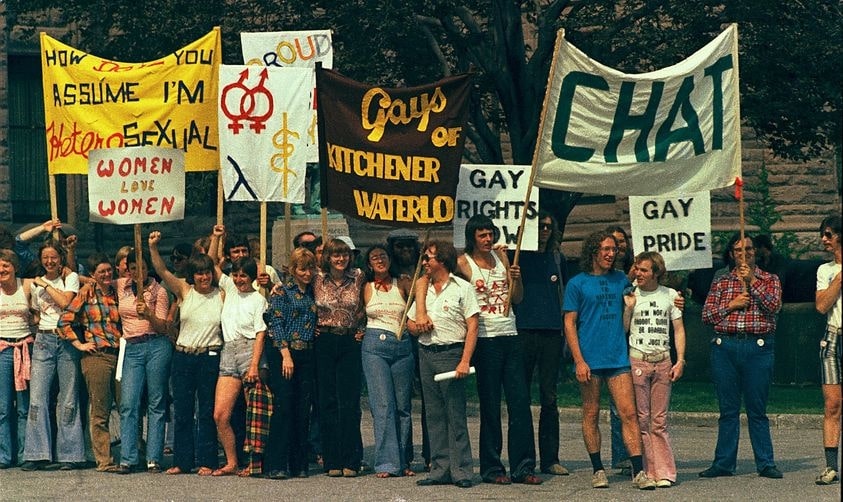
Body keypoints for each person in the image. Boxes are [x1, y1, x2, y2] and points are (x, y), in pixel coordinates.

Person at [562, 229, 655, 490]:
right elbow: (569, 323)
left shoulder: (621, 281)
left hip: (617, 358)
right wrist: (579, 360)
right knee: (591, 413)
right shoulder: (577, 283)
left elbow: (648, 285)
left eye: (614, 250)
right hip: (589, 359)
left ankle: (639, 471)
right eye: (605, 249)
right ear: (593, 251)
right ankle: (598, 469)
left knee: (628, 413)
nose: (610, 254)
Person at [455, 214, 541, 485]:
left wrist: (513, 273)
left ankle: (523, 466)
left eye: (490, 234)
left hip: (510, 333)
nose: (488, 239)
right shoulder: (463, 262)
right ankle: (492, 467)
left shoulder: (504, 260)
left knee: (520, 403)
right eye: (482, 235)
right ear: (472, 237)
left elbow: (517, 298)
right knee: (490, 404)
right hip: (485, 337)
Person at [700, 232, 783, 479]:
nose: (743, 254)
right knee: (728, 410)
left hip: (757, 348)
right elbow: (707, 316)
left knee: (757, 409)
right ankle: (724, 463)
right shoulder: (722, 281)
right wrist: (732, 304)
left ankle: (766, 462)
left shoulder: (770, 279)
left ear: (755, 252)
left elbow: (774, 306)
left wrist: (753, 283)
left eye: (748, 249)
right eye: (738, 250)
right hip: (725, 347)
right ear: (731, 254)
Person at [149, 231, 223, 476]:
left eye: (207, 272)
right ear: (193, 275)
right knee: (181, 410)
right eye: (199, 273)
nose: (204, 276)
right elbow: (162, 271)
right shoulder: (184, 290)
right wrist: (153, 248)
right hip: (183, 357)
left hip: (209, 357)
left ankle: (207, 460)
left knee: (206, 411)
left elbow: (209, 259)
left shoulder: (221, 294)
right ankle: (182, 461)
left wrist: (215, 238)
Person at [407, 240, 478, 489]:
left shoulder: (462, 289)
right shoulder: (423, 289)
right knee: (434, 414)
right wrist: (419, 325)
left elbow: (472, 326)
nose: (424, 263)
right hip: (426, 352)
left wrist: (465, 360)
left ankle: (461, 471)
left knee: (455, 413)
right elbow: (410, 325)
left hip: (451, 352)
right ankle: (440, 469)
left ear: (443, 261)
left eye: (428, 258)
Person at [209, 225, 271, 478]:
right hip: (228, 352)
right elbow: (211, 262)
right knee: (220, 415)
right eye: (235, 275)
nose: (239, 280)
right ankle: (232, 461)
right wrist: (216, 237)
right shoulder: (230, 289)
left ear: (252, 276)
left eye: (243, 276)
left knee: (254, 412)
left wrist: (255, 365)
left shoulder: (259, 299)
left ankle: (256, 463)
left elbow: (260, 334)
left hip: (250, 352)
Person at [622, 251, 686, 488]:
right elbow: (624, 329)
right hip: (638, 360)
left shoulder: (669, 295)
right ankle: (645, 471)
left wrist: (680, 360)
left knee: (659, 421)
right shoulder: (631, 294)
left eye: (644, 270)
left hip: (663, 361)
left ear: (656, 273)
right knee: (642, 419)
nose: (638, 274)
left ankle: (665, 472)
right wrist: (628, 309)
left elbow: (678, 329)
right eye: (637, 269)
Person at [513, 210, 569, 476]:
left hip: (551, 332)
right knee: (521, 395)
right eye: (541, 226)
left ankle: (550, 458)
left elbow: (563, 296)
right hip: (523, 330)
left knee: (549, 396)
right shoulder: (519, 257)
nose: (545, 230)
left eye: (549, 226)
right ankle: (524, 459)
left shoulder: (558, 258)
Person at [20, 241, 84, 471]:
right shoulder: (37, 284)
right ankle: (37, 454)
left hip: (66, 340)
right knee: (37, 398)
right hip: (44, 340)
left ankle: (70, 455)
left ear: (61, 258)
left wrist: (45, 286)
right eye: (45, 258)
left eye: (54, 257)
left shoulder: (71, 278)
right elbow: (37, 312)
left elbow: (66, 302)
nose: (49, 262)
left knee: (67, 398)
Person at [57, 253, 122, 472]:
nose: (106, 274)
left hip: (120, 354)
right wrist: (80, 344)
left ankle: (133, 453)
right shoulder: (86, 294)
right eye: (101, 271)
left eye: (108, 270)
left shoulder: (116, 293)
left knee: (127, 405)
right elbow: (63, 322)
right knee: (100, 410)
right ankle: (104, 460)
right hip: (97, 356)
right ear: (93, 274)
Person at [112, 248, 172, 474]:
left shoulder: (159, 291)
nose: (138, 272)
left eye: (142, 267)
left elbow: (163, 326)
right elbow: (93, 277)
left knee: (156, 402)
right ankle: (128, 457)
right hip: (132, 346)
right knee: (128, 403)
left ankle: (154, 458)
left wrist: (148, 314)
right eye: (133, 268)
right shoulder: (122, 286)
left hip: (156, 344)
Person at [312, 238, 366, 478]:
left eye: (344, 254)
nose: (341, 259)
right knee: (327, 400)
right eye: (336, 255)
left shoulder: (358, 276)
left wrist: (362, 326)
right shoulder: (317, 278)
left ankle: (352, 459)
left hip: (349, 340)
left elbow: (368, 303)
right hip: (324, 339)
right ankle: (331, 458)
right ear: (328, 257)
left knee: (350, 401)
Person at [264, 247, 319, 480]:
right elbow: (275, 323)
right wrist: (285, 354)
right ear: (293, 270)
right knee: (284, 407)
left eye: (310, 268)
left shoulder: (315, 292)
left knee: (302, 409)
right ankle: (276, 463)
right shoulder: (282, 293)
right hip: (285, 353)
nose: (307, 273)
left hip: (308, 353)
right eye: (302, 269)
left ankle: (299, 462)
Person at [361, 244, 415, 478]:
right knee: (383, 405)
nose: (380, 260)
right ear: (369, 263)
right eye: (375, 257)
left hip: (401, 345)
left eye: (383, 256)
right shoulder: (366, 287)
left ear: (390, 260)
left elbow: (418, 300)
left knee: (403, 407)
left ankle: (403, 460)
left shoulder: (402, 283)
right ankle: (386, 463)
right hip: (374, 346)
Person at [0, 249, 35, 468]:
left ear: (14, 267)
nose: (2, 270)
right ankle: (5, 455)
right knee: (3, 407)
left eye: (6, 265)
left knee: (24, 406)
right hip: (2, 348)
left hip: (25, 348)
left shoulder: (28, 285)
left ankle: (25, 453)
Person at [814, 215, 841, 486]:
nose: (824, 239)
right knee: (832, 403)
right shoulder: (825, 270)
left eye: (829, 234)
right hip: (834, 337)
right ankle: (831, 466)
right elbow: (821, 306)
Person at [607, 225, 632, 474]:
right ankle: (622, 455)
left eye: (622, 242)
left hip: (639, 338)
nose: (619, 247)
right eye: (614, 243)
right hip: (613, 339)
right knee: (618, 402)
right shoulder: (605, 274)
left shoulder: (637, 270)